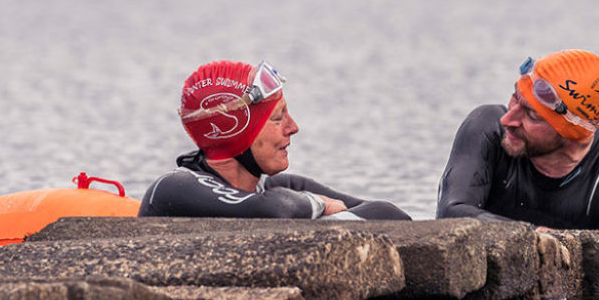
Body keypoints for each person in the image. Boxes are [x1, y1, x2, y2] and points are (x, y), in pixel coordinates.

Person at [141, 60, 412, 220]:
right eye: (277, 118)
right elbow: (276, 208)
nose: (293, 127)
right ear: (232, 129)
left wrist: (319, 212)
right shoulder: (173, 188)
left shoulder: (277, 185)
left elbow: (392, 216)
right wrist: (323, 206)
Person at [436, 50, 599, 231]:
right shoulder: (487, 127)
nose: (508, 119)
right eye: (515, 97)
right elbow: (451, 214)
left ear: (571, 135)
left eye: (532, 115)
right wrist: (534, 235)